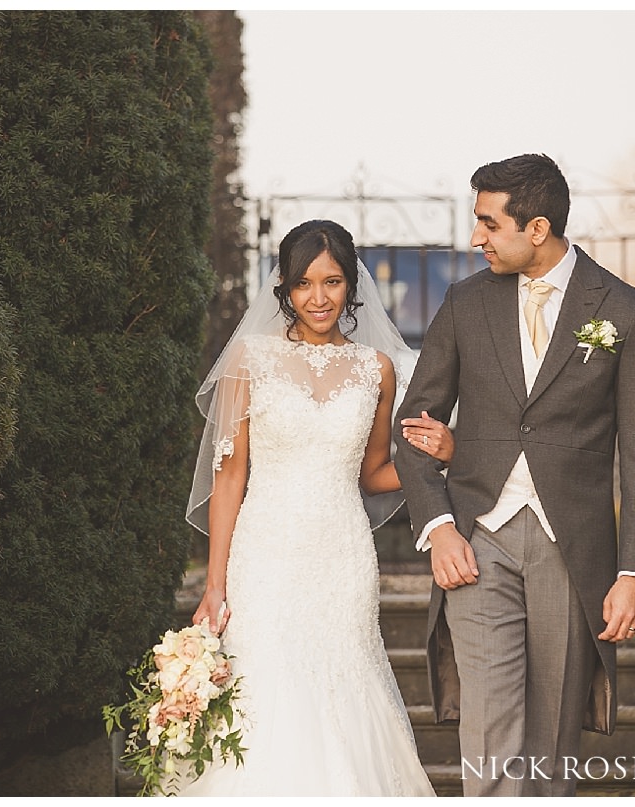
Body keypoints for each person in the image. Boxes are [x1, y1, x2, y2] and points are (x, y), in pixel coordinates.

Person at [395, 154, 635, 797]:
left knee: (551, 741)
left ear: (537, 227)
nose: (476, 238)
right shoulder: (463, 303)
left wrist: (633, 574)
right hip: (476, 539)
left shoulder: (623, 312)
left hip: (569, 549)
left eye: (489, 223)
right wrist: (438, 528)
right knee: (488, 735)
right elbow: (414, 428)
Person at [182, 219, 451, 796]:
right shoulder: (249, 361)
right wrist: (215, 581)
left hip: (342, 555)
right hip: (265, 553)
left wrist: (432, 457)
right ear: (284, 289)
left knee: (343, 686)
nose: (319, 297)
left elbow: (374, 474)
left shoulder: (376, 370)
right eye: (304, 284)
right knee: (263, 686)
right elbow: (229, 479)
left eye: (332, 282)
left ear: (353, 285)